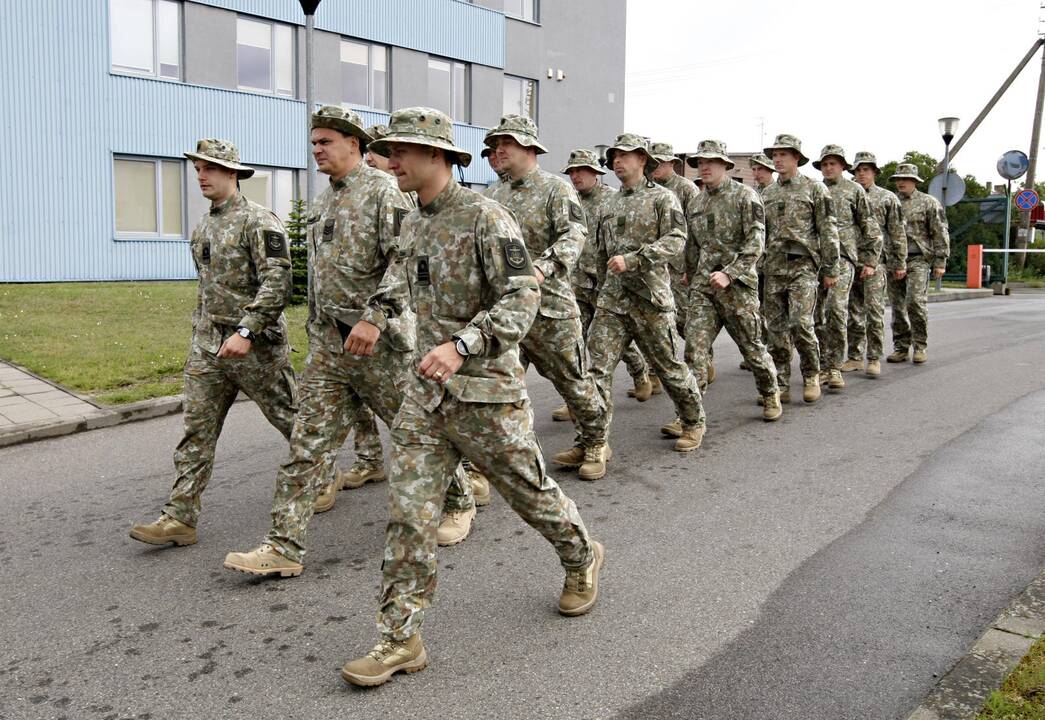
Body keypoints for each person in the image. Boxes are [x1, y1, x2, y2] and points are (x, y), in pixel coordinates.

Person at [339, 107, 603, 687]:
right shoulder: (412, 219)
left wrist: (464, 343)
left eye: (401, 151)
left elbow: (521, 297)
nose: (390, 161)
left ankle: (582, 556)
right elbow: (398, 280)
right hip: (425, 396)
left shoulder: (488, 219)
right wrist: (376, 317)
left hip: (486, 394)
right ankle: (399, 639)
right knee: (409, 515)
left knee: (531, 495)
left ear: (436, 155)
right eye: (388, 151)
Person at [221, 106, 455, 577]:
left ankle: (459, 498)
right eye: (314, 143)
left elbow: (405, 261)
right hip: (330, 348)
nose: (317, 150)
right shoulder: (326, 200)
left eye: (326, 141)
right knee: (307, 444)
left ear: (354, 143)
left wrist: (375, 318)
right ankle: (283, 545)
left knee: (412, 430)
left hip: (379, 346)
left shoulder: (385, 193)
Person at [129, 139, 297, 550]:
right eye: (198, 169)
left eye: (211, 169)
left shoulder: (259, 222)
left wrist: (247, 330)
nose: (202, 176)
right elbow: (207, 288)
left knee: (293, 421)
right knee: (196, 431)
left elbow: (278, 282)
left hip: (256, 348)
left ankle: (323, 475)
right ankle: (179, 516)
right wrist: (200, 334)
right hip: (209, 348)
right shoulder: (204, 225)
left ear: (234, 174)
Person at [486, 115, 610, 481]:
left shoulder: (556, 189)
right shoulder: (494, 195)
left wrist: (541, 269)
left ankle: (594, 442)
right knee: (494, 385)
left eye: (505, 142)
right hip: (507, 311)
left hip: (550, 309)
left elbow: (574, 234)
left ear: (528, 146)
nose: (498, 150)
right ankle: (485, 466)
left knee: (573, 382)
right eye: (495, 145)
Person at [584, 133, 707, 451]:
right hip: (613, 300)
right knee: (596, 369)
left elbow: (677, 239)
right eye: (613, 156)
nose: (617, 161)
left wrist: (637, 259)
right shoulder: (607, 203)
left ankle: (693, 422)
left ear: (642, 159)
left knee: (667, 367)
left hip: (649, 298)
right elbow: (601, 252)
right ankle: (593, 443)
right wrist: (601, 290)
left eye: (624, 155)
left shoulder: (662, 198)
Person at [683, 140, 781, 421]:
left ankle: (770, 392)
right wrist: (689, 273)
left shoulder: (745, 196)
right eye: (700, 162)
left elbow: (756, 242)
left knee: (752, 348)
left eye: (710, 162)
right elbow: (692, 245)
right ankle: (690, 413)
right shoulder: (697, 202)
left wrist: (730, 273)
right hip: (704, 287)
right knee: (695, 349)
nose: (704, 166)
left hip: (738, 287)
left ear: (724, 166)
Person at [554, 148, 652, 424]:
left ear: (595, 173)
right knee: (577, 341)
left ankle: (639, 372)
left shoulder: (612, 199)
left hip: (607, 282)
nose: (575, 176)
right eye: (572, 172)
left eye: (581, 171)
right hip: (578, 282)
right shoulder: (569, 201)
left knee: (608, 342)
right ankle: (576, 400)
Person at [761, 134, 840, 404]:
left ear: (797, 157)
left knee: (801, 323)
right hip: (773, 267)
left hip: (803, 266)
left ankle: (810, 374)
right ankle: (781, 381)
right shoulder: (767, 193)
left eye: (784, 154)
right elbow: (761, 234)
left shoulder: (815, 189)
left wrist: (830, 268)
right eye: (775, 155)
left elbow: (828, 230)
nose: (778, 159)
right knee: (776, 328)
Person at [812, 145, 881, 391]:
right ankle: (820, 365)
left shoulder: (854, 191)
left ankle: (834, 366)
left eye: (833, 163)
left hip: (843, 259)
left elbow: (870, 227)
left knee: (836, 309)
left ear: (842, 166)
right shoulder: (813, 189)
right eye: (825, 164)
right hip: (814, 261)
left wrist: (871, 261)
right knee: (815, 315)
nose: (828, 168)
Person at [845, 151, 907, 377]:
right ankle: (854, 356)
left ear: (874, 172)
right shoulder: (847, 193)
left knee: (874, 311)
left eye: (866, 170)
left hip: (877, 262)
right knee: (853, 312)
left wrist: (899, 262)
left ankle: (873, 358)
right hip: (851, 261)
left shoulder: (887, 198)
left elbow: (897, 232)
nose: (862, 174)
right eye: (858, 170)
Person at [887, 163, 949, 364]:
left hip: (918, 259)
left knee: (914, 301)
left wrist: (940, 260)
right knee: (897, 306)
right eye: (898, 179)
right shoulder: (891, 201)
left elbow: (940, 232)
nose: (901, 182)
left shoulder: (928, 203)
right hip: (895, 260)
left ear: (914, 181)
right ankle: (901, 347)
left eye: (905, 179)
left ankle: (920, 345)